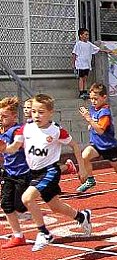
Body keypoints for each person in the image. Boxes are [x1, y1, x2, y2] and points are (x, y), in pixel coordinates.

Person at [1, 94, 91, 251]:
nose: (36, 115)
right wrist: (4, 148)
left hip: (50, 171)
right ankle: (82, 216)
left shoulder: (56, 131)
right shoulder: (25, 128)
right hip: (34, 172)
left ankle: (44, 233)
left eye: (41, 112)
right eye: (34, 111)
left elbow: (75, 145)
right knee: (55, 206)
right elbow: (13, 148)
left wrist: (82, 167)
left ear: (50, 113)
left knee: (27, 198)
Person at [76, 84, 117, 197]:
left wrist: (89, 120)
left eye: (96, 99)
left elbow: (101, 130)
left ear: (104, 97)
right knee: (84, 156)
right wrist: (91, 125)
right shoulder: (93, 109)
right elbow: (95, 124)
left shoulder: (105, 112)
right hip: (96, 144)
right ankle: (90, 180)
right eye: (91, 99)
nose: (93, 101)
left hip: (108, 146)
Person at [0, 97, 31, 249]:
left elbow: (14, 148)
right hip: (8, 172)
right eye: (0, 116)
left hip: (23, 172)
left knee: (20, 206)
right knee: (5, 204)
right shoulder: (2, 131)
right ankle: (18, 235)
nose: (1, 119)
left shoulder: (17, 131)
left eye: (4, 116)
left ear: (14, 116)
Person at [72, 28, 102, 100]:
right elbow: (74, 54)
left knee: (85, 78)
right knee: (81, 78)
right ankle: (81, 92)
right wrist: (73, 64)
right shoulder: (78, 44)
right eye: (85, 34)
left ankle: (85, 91)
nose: (87, 36)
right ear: (81, 35)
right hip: (80, 64)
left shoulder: (89, 44)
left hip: (87, 65)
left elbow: (97, 49)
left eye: (88, 35)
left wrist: (105, 50)